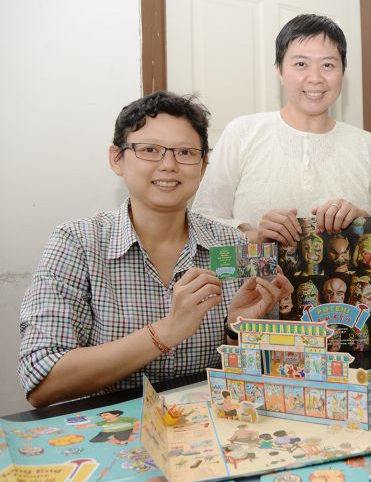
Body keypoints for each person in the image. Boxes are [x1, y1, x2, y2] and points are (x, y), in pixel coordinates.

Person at [18, 91, 293, 408]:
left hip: (210, 437)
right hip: (115, 438)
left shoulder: (236, 247)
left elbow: (266, 379)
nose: (169, 165)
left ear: (203, 166)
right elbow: (41, 382)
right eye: (150, 150)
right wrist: (166, 331)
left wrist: (236, 333)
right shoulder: (76, 243)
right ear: (117, 158)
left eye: (185, 152)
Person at [191, 13, 371, 247]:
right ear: (279, 70)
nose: (315, 78)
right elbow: (202, 222)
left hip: (344, 284)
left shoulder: (367, 145)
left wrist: (365, 220)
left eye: (328, 65)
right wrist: (254, 234)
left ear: (343, 71)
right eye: (300, 64)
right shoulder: (242, 133)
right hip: (256, 284)